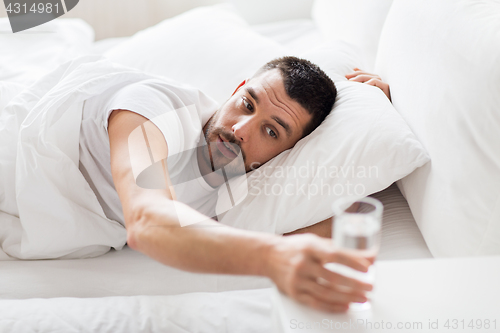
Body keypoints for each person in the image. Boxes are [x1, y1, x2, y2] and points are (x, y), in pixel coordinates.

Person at [79, 56, 390, 313]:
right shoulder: (154, 108)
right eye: (247, 104)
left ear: (289, 153)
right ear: (238, 88)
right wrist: (274, 257)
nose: (241, 130)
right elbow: (145, 218)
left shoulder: (243, 194)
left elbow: (323, 225)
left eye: (271, 132)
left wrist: (372, 125)